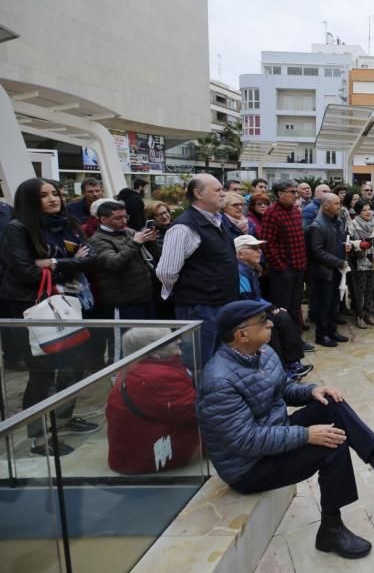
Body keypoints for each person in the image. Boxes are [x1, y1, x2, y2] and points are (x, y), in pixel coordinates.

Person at [196, 300, 374, 560]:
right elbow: (245, 441)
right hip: (249, 466)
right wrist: (307, 435)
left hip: (274, 434)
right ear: (241, 334)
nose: (270, 323)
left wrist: (312, 390)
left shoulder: (263, 353)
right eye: (262, 320)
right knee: (331, 443)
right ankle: (331, 528)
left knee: (331, 403)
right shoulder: (218, 381)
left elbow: (282, 389)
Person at [0, 178, 97, 454]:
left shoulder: (66, 223)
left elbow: (90, 259)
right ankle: (39, 436)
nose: (53, 199)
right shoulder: (17, 229)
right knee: (42, 372)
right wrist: (69, 262)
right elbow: (27, 273)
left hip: (70, 302)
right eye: (44, 196)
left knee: (76, 364)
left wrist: (52, 263)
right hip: (31, 308)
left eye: (55, 193)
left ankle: (63, 419)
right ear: (30, 200)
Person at [156, 174, 237, 367]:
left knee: (220, 359)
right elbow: (166, 271)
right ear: (198, 193)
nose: (223, 194)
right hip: (200, 307)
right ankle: (199, 396)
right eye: (217, 190)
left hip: (223, 302)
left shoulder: (218, 220)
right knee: (200, 361)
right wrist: (193, 291)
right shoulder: (183, 227)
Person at [105, 328, 200, 474]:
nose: (179, 341)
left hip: (131, 454)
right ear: (154, 352)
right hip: (149, 458)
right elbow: (196, 412)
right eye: (171, 339)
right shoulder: (156, 377)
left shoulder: (136, 368)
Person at [235, 234, 312, 380]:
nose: (260, 251)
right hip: (247, 316)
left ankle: (292, 363)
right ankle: (282, 371)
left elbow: (256, 297)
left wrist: (271, 307)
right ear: (240, 254)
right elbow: (247, 300)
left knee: (283, 315)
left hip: (255, 310)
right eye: (254, 248)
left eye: (259, 248)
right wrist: (267, 311)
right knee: (271, 326)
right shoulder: (240, 272)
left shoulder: (249, 269)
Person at [88, 200, 159, 321]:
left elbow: (152, 257)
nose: (124, 221)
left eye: (125, 217)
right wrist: (136, 242)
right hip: (123, 302)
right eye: (118, 218)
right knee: (127, 338)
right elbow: (114, 263)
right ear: (103, 219)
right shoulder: (97, 240)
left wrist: (150, 240)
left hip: (145, 297)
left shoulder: (129, 232)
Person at [261, 179, 308, 333]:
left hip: (299, 268)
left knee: (295, 307)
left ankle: (296, 340)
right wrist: (281, 268)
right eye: (292, 192)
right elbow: (268, 244)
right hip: (283, 271)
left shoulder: (295, 211)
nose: (296, 195)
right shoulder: (271, 213)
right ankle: (284, 342)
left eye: (296, 191)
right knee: (283, 309)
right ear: (280, 194)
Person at [306, 194, 351, 347]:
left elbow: (338, 242)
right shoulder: (317, 225)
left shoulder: (337, 221)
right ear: (325, 205)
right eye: (336, 203)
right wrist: (338, 262)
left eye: (339, 203)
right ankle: (321, 335)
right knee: (324, 305)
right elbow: (317, 251)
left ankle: (332, 331)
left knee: (334, 304)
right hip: (324, 272)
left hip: (336, 270)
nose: (340, 206)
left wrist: (346, 246)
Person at [346, 200, 374, 328]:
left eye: (369, 209)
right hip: (359, 263)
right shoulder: (352, 224)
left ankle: (368, 313)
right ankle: (359, 316)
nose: (368, 212)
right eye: (364, 210)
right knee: (359, 291)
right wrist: (358, 245)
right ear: (358, 212)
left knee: (370, 289)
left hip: (373, 263)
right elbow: (348, 243)